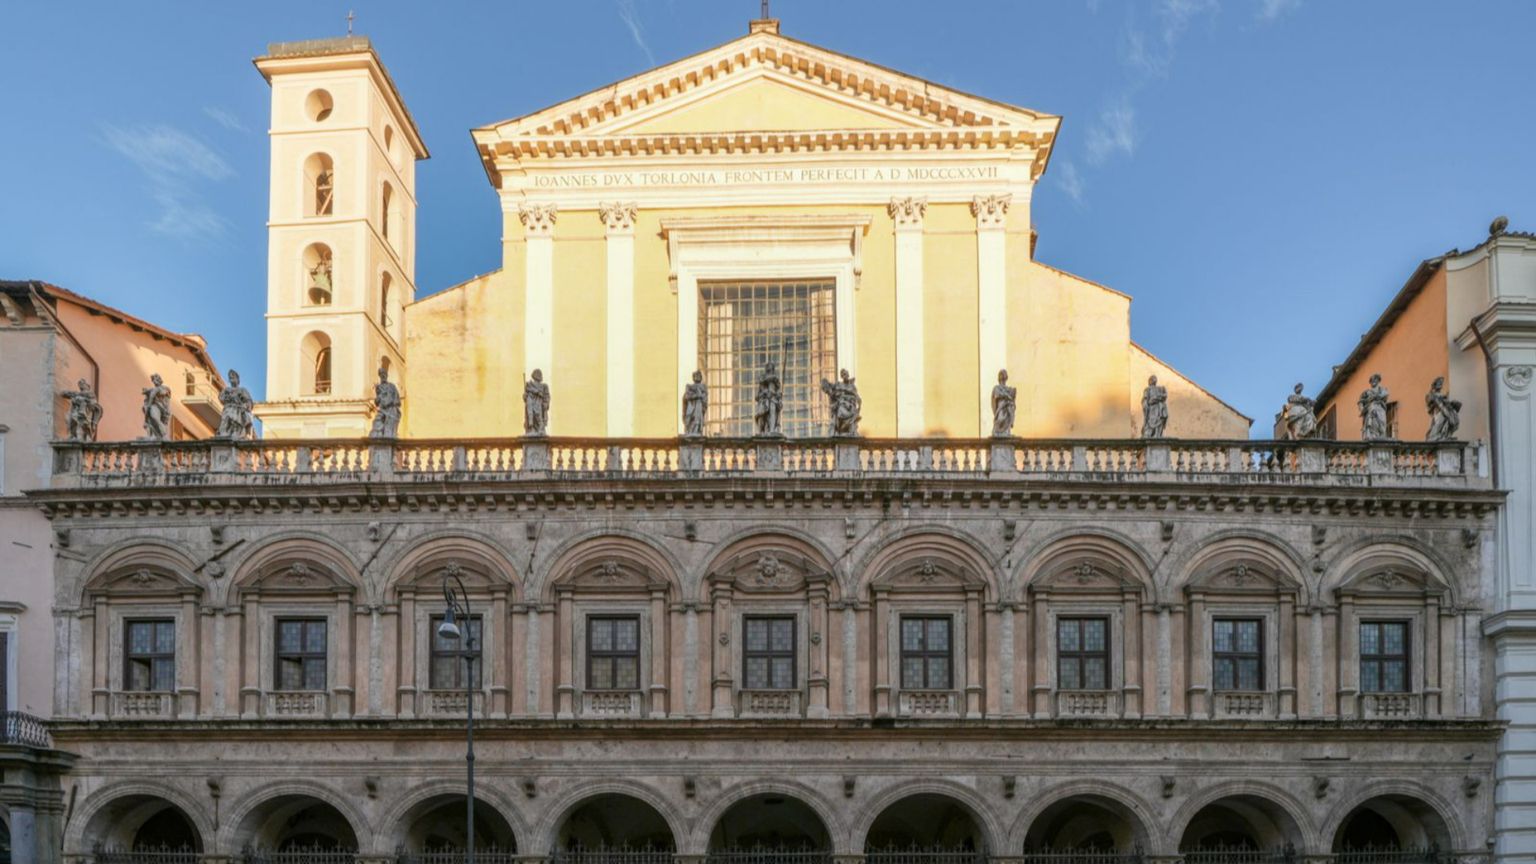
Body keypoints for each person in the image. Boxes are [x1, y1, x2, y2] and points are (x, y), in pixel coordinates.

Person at [821, 368, 862, 437]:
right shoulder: (838, 384)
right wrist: (826, 384)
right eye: (843, 375)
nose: (844, 376)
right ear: (842, 377)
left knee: (846, 407)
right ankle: (842, 426)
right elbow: (830, 388)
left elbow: (856, 395)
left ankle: (848, 426)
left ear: (848, 375)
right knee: (841, 407)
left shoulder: (852, 386)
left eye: (845, 374)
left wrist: (859, 400)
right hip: (841, 403)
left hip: (851, 403)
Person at [217, 369, 255, 440]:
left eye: (233, 377)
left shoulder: (242, 390)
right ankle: (224, 434)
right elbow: (221, 398)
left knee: (236, 424)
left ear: (237, 379)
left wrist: (245, 406)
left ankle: (235, 434)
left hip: (238, 410)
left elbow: (249, 401)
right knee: (225, 423)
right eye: (230, 378)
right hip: (227, 409)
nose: (232, 379)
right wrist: (226, 397)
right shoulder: (226, 390)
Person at [369, 366, 402, 439]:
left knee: (389, 428)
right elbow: (377, 401)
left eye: (384, 373)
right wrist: (379, 398)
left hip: (391, 409)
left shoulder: (392, 386)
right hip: (382, 409)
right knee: (377, 423)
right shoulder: (379, 387)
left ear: (387, 375)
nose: (383, 375)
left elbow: (397, 400)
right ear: (379, 376)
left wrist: (391, 402)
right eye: (381, 374)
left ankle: (389, 440)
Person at [1426, 377, 1461, 442]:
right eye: (1439, 383)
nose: (1440, 385)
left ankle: (1445, 435)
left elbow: (1445, 402)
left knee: (1450, 420)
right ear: (1435, 385)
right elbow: (1430, 405)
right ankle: (1435, 436)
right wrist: (1438, 402)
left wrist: (1447, 401)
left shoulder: (1441, 395)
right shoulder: (1431, 395)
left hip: (1444, 410)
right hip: (1438, 411)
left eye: (1441, 384)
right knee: (1440, 422)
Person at [1358, 373, 1390, 441]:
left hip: (1381, 409)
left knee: (1382, 423)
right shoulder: (1367, 392)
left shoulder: (1383, 390)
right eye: (1371, 380)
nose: (1373, 382)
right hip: (1371, 409)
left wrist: (1376, 397)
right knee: (1372, 423)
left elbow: (1385, 396)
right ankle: (1372, 436)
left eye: (1375, 380)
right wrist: (1362, 409)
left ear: (1378, 381)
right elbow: (1360, 401)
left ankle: (1382, 436)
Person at [754, 361, 782, 437]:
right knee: (762, 416)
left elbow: (779, 391)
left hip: (773, 398)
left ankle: (772, 430)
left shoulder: (775, 380)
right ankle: (761, 431)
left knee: (773, 410)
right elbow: (757, 396)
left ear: (773, 368)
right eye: (768, 367)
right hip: (764, 400)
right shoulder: (762, 380)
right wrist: (764, 393)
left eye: (770, 367)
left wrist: (778, 397)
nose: (769, 368)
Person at [142, 374, 173, 440]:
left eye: (156, 379)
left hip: (163, 408)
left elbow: (167, 396)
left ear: (159, 380)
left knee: (157, 420)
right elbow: (148, 393)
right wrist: (146, 392)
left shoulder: (165, 388)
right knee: (154, 418)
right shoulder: (153, 389)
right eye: (153, 380)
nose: (154, 381)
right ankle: (160, 434)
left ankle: (161, 434)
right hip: (154, 406)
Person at [523, 369, 550, 436]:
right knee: (531, 415)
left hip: (539, 403)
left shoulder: (544, 386)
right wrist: (525, 396)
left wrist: (546, 403)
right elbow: (525, 396)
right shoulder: (529, 385)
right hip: (531, 402)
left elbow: (547, 396)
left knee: (538, 415)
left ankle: (540, 430)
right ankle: (531, 428)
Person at [991, 369, 1017, 438]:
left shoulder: (1008, 389)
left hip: (1007, 407)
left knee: (1007, 420)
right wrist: (1007, 395)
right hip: (1001, 407)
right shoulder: (997, 388)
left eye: (1004, 375)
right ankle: (997, 431)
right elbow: (997, 395)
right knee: (1000, 419)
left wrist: (1012, 394)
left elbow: (1012, 399)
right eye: (1001, 375)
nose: (1002, 377)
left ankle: (1006, 432)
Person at [682, 370, 708, 437]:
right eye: (696, 376)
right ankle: (691, 430)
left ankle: (696, 430)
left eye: (699, 376)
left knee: (697, 419)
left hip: (698, 406)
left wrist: (699, 396)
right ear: (693, 377)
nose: (697, 377)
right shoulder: (689, 386)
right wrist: (697, 396)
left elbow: (704, 398)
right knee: (690, 418)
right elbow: (686, 396)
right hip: (691, 407)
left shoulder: (703, 387)